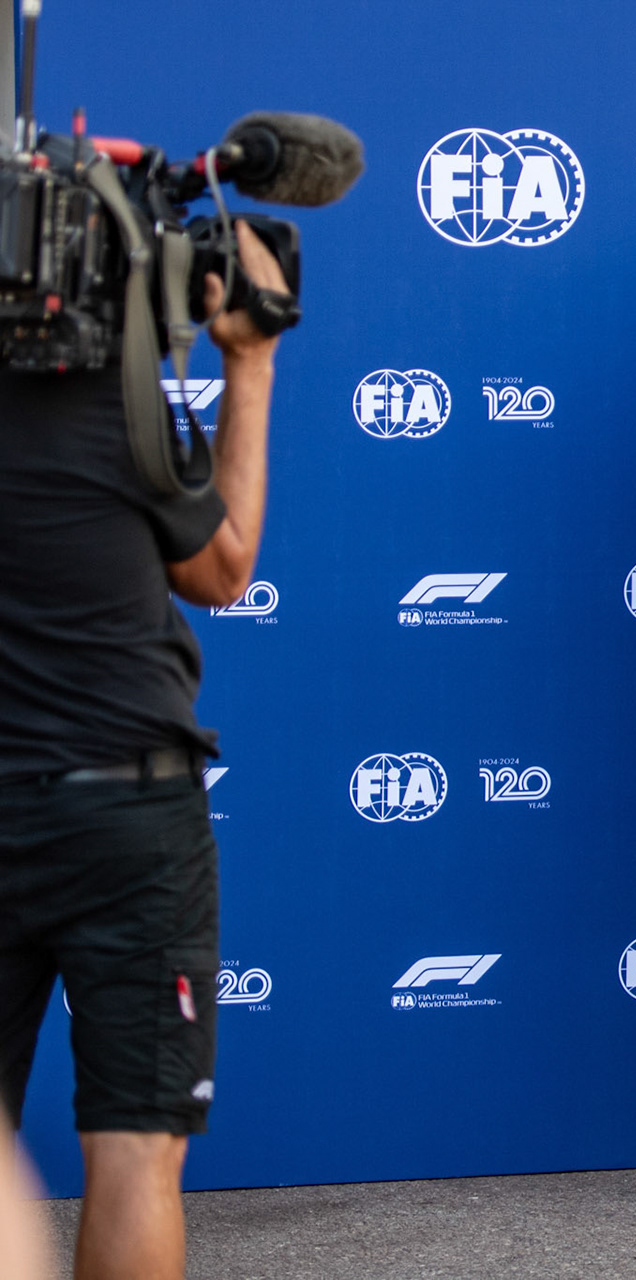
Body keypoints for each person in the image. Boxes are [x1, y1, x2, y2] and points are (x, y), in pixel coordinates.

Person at [0, 221, 289, 1279]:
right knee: (133, 1149)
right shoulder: (123, 409)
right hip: (128, 815)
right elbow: (223, 572)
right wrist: (248, 363)